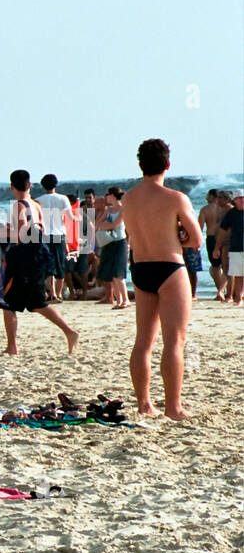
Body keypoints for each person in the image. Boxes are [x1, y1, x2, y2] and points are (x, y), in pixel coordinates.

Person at [122, 138, 198, 421]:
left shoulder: (128, 198)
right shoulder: (176, 198)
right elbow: (196, 240)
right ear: (168, 164)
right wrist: (179, 234)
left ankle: (144, 404)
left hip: (141, 268)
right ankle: (173, 407)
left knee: (143, 341)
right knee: (174, 342)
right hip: (169, 267)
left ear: (140, 165)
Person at [0, 169, 79, 355]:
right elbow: (37, 229)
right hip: (39, 254)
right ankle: (69, 332)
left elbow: (21, 235)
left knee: (8, 302)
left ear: (11, 186)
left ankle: (12, 347)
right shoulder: (35, 205)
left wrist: (1, 233)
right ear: (29, 185)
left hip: (24, 256)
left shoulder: (18, 206)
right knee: (37, 303)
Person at [37, 174, 71, 303]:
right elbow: (69, 217)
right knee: (60, 263)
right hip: (58, 233)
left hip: (45, 235)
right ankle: (59, 293)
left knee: (48, 265)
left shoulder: (39, 200)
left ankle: (52, 293)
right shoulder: (63, 199)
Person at [96, 187, 130, 309]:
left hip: (120, 242)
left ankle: (125, 300)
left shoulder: (123, 209)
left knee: (118, 273)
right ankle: (119, 300)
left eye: (108, 194)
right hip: (109, 242)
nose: (106, 197)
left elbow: (115, 224)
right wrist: (105, 225)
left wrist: (104, 226)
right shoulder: (108, 209)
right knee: (111, 275)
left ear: (113, 195)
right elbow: (97, 224)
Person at [218, 190, 244, 305]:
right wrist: (217, 247)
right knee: (238, 274)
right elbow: (223, 230)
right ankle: (238, 298)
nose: (242, 200)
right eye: (239, 198)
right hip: (235, 247)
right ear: (234, 200)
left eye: (243, 197)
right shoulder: (231, 213)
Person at [199, 190, 225, 299]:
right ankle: (226, 290)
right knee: (226, 266)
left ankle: (220, 291)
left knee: (215, 267)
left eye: (207, 195)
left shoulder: (205, 209)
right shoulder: (224, 209)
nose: (206, 197)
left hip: (211, 238)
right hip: (224, 238)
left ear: (211, 196)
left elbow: (199, 228)